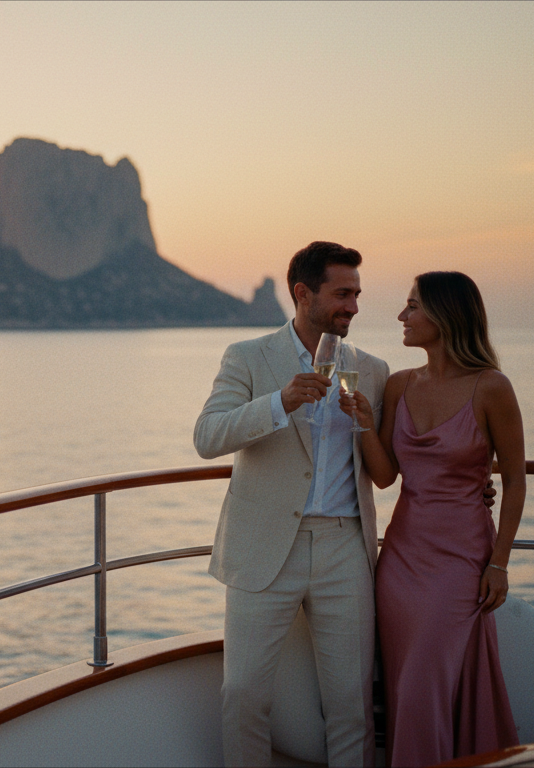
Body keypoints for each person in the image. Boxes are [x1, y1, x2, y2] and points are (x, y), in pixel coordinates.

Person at [194, 241, 387, 767]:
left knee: (352, 705)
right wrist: (279, 401)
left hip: (345, 547)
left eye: (356, 294)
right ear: (303, 294)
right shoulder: (248, 356)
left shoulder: (372, 370)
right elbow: (207, 437)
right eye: (342, 294)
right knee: (243, 695)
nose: (353, 306)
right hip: (262, 548)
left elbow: (389, 463)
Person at [339, 271, 524, 766]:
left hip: (462, 562)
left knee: (425, 686)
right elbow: (384, 477)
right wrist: (362, 423)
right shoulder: (399, 385)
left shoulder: (491, 387)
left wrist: (499, 563)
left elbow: (515, 482)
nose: (402, 315)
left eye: (413, 306)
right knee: (408, 689)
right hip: (401, 562)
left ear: (446, 315)